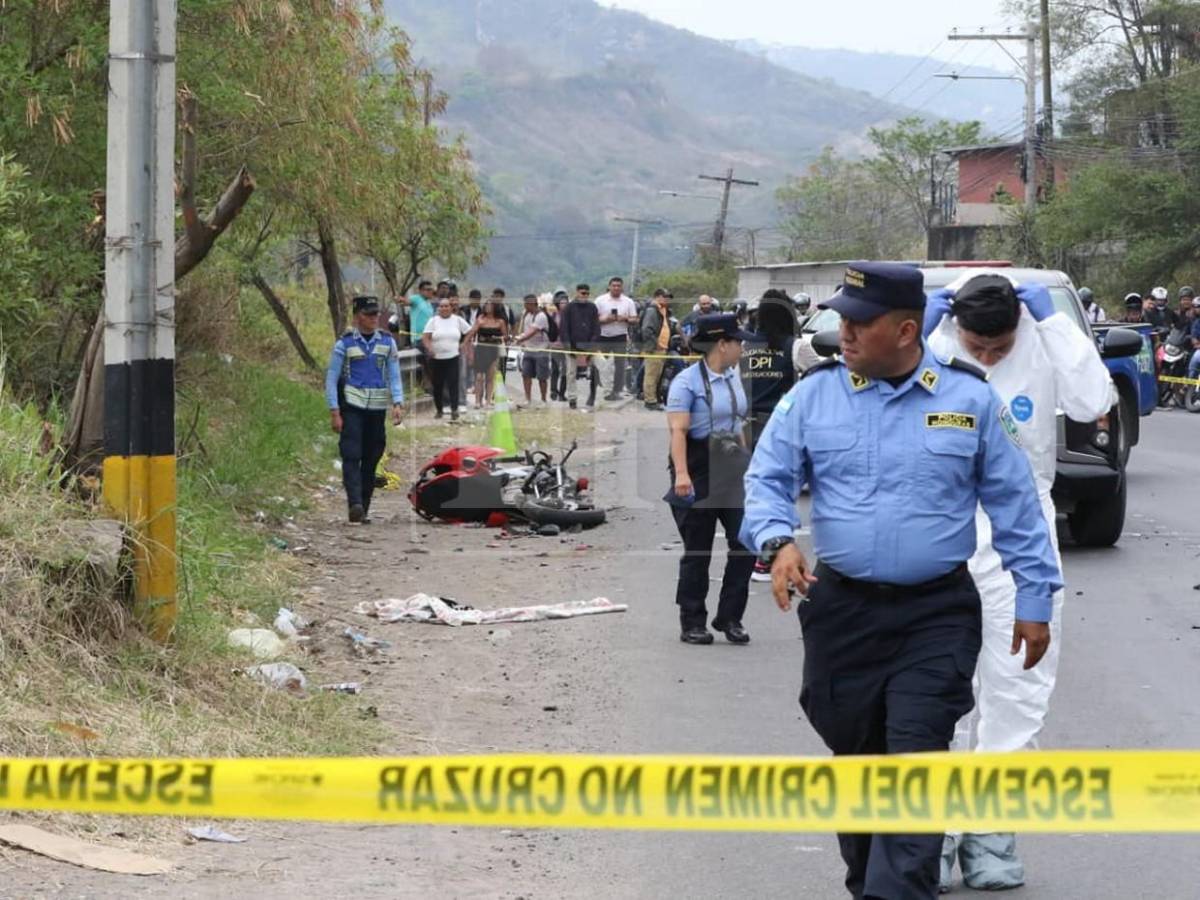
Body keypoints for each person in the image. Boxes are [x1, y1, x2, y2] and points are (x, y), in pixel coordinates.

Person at [741, 262, 1061, 900]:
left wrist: (1034, 600)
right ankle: (873, 881)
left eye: (860, 322)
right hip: (842, 612)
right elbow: (767, 477)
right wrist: (777, 542)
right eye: (842, 320)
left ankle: (895, 890)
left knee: (915, 759)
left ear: (907, 329)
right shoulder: (813, 395)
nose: (845, 333)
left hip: (935, 614)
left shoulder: (967, 400)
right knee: (857, 761)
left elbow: (1017, 508)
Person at [924, 272, 1112, 892]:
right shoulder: (938, 341)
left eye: (997, 347)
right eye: (976, 347)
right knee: (939, 688)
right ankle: (937, 830)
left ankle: (991, 831)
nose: (985, 357)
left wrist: (1057, 323)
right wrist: (919, 334)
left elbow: (1091, 403)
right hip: (943, 530)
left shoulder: (1041, 338)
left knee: (1019, 685)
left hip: (1023, 535)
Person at [665, 313, 757, 645]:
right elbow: (678, 431)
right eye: (738, 341)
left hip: (733, 469)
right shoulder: (686, 383)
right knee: (698, 550)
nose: (742, 347)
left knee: (746, 542)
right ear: (722, 344)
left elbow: (739, 423)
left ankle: (730, 616)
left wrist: (749, 467)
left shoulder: (734, 377)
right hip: (698, 469)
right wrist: (682, 475)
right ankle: (692, 621)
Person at [325, 296, 406, 523]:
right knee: (351, 454)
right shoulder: (345, 344)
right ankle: (355, 503)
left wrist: (398, 403)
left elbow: (394, 375)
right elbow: (331, 378)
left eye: (375, 314)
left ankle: (364, 507)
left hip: (377, 408)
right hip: (352, 406)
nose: (373, 318)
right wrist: (334, 411)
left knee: (372, 457)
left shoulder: (387, 343)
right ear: (357, 316)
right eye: (368, 314)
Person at [421, 297, 471, 421]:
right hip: (436, 358)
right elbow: (425, 337)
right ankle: (439, 410)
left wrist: (464, 343)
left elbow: (470, 331)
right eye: (441, 306)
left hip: (453, 357)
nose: (444, 308)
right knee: (438, 385)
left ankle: (454, 410)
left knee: (453, 383)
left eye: (446, 306)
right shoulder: (433, 321)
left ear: (451, 308)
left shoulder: (458, 320)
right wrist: (429, 348)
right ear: (438, 308)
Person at [595, 276, 638, 402]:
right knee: (603, 364)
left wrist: (624, 318)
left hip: (620, 336)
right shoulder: (600, 300)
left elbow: (635, 319)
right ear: (609, 287)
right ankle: (603, 389)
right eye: (614, 285)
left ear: (622, 287)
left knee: (620, 365)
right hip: (603, 335)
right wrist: (605, 319)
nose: (616, 288)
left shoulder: (628, 302)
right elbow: (592, 319)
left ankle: (617, 391)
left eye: (618, 286)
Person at [561, 283, 600, 410]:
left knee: (602, 366)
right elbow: (564, 329)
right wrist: (569, 348)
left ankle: (599, 396)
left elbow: (596, 328)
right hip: (572, 346)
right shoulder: (568, 308)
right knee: (571, 373)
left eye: (587, 293)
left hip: (589, 345)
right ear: (576, 293)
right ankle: (572, 399)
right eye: (583, 293)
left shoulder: (592, 307)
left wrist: (591, 346)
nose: (585, 296)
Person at [468, 299, 510, 408]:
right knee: (479, 377)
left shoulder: (500, 321)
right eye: (486, 305)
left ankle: (488, 401)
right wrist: (468, 346)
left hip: (494, 349)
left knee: (490, 377)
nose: (488, 307)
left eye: (490, 305)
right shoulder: (480, 319)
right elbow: (472, 332)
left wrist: (499, 337)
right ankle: (478, 401)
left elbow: (506, 336)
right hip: (481, 349)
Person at [639, 288, 675, 410]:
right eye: (665, 297)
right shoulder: (652, 310)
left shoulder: (663, 310)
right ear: (657, 297)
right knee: (651, 375)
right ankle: (650, 400)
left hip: (662, 348)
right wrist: (656, 343)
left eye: (668, 297)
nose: (667, 299)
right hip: (654, 348)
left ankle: (654, 398)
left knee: (657, 375)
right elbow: (647, 330)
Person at [514, 293, 552, 405]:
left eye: (525, 304)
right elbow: (523, 329)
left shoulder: (541, 316)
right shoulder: (526, 315)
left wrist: (519, 339)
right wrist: (519, 338)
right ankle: (527, 399)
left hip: (541, 350)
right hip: (528, 350)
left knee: (542, 377)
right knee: (526, 375)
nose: (524, 306)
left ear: (531, 303)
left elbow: (532, 331)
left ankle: (543, 400)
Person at [549, 290, 570, 401]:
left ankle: (562, 393)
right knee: (555, 369)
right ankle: (553, 391)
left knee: (566, 371)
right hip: (555, 346)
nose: (564, 304)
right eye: (562, 302)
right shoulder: (553, 316)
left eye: (566, 302)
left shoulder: (570, 316)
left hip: (567, 347)